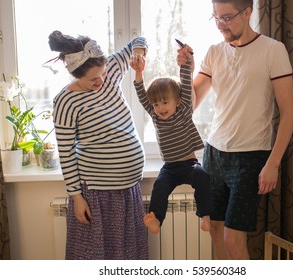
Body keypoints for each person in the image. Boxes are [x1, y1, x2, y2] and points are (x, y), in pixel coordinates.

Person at [177, 0, 293, 260]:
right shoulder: (214, 52)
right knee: (215, 230)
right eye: (216, 18)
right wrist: (186, 70)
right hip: (215, 155)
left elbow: (288, 113)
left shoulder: (273, 50)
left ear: (248, 13)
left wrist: (273, 163)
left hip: (251, 157)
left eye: (227, 18)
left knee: (233, 240)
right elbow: (192, 103)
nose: (221, 25)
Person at [48, 30, 148, 260]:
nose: (101, 81)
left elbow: (138, 41)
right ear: (76, 75)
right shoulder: (65, 101)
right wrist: (76, 197)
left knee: (127, 258)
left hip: (129, 190)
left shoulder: (110, 69)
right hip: (97, 196)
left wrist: (140, 54)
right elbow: (66, 153)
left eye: (102, 74)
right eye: (93, 79)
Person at [130, 45, 213, 235]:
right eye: (156, 103)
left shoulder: (184, 110)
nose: (160, 107)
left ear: (177, 100)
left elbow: (185, 82)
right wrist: (138, 73)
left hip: (189, 163)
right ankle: (156, 220)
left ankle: (205, 215)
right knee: (160, 186)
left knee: (202, 176)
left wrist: (185, 63)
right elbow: (142, 95)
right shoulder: (155, 115)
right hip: (170, 167)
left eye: (165, 102)